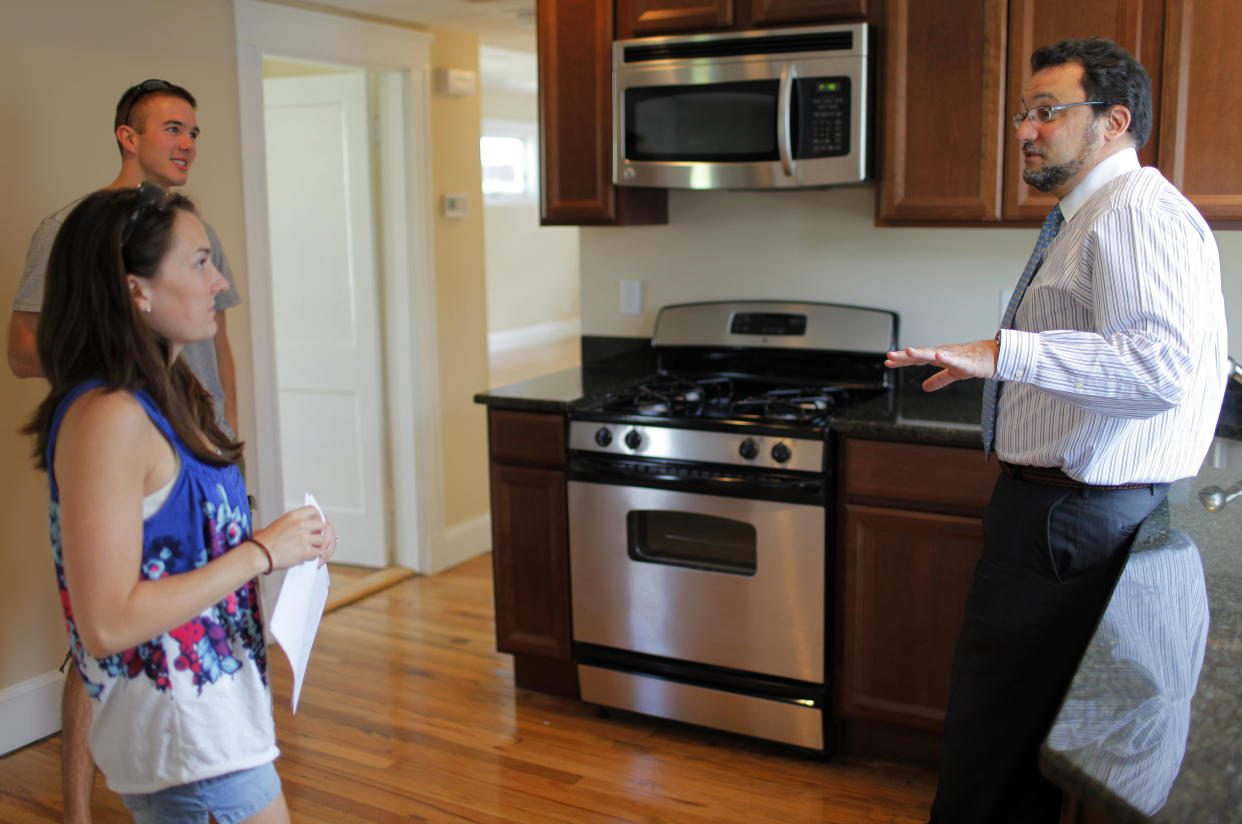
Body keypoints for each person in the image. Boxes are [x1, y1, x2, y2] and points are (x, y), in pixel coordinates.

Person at [885, 38, 1226, 823]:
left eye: (1047, 112)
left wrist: (1001, 353)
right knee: (1018, 741)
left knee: (992, 743)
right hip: (1064, 513)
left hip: (1066, 519)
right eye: (1022, 114)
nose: (1026, 130)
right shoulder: (1096, 215)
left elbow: (1159, 369)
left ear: (1113, 121)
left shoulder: (1136, 213)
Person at [26, 183, 336, 824]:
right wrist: (259, 552)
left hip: (216, 724)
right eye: (199, 262)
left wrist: (290, 546)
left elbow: (180, 552)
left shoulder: (167, 393)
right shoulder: (108, 416)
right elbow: (107, 622)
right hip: (187, 744)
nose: (219, 281)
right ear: (136, 288)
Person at [7, 78, 240, 823]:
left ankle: (206, 772)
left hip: (195, 447)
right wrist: (122, 351)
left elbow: (220, 346)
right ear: (126, 136)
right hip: (132, 456)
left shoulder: (193, 228)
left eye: (194, 131)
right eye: (171, 127)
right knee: (99, 641)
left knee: (199, 618)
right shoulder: (73, 230)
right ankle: (77, 811)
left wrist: (224, 434)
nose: (186, 143)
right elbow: (20, 350)